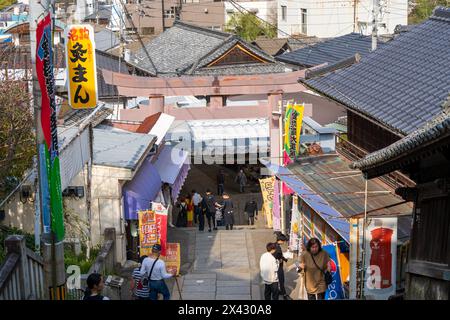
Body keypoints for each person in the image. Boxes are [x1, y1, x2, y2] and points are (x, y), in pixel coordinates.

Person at [273, 232, 291, 300]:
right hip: (278, 267)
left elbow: (279, 255)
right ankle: (284, 294)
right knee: (281, 281)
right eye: (283, 241)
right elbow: (278, 256)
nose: (284, 243)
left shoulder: (274, 245)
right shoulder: (277, 248)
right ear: (280, 240)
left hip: (276, 266)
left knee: (278, 281)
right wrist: (281, 259)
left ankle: (279, 291)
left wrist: (284, 259)